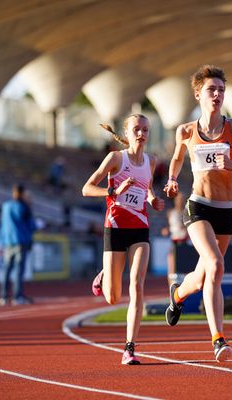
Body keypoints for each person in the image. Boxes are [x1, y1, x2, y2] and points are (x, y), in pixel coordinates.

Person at [163, 65, 232, 362]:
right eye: (211, 89)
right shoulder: (185, 131)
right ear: (198, 94)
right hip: (198, 206)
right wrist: (171, 181)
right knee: (215, 265)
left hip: (226, 209)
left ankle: (179, 295)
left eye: (221, 89)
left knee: (205, 273)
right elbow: (176, 161)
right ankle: (218, 339)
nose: (217, 94)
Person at [82, 114, 165, 365]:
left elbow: (147, 188)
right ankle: (106, 274)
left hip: (140, 229)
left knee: (137, 285)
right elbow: (86, 188)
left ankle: (129, 347)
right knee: (113, 298)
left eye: (146, 130)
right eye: (137, 130)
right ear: (127, 134)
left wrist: (152, 199)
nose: (141, 134)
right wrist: (113, 191)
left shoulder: (152, 162)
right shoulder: (116, 158)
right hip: (115, 228)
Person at [0, 183, 37, 306]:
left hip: (7, 242)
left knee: (7, 270)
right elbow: (31, 225)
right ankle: (17, 297)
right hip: (20, 242)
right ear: (22, 193)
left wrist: (2, 240)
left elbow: (3, 225)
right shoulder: (23, 206)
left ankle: (3, 297)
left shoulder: (5, 206)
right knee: (19, 271)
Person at [163, 192, 189, 285]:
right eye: (178, 199)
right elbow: (168, 226)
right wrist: (166, 230)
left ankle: (185, 284)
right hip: (174, 241)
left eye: (182, 200)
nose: (180, 202)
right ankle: (171, 285)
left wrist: (185, 228)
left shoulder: (187, 213)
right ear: (175, 200)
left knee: (186, 264)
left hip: (185, 241)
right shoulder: (170, 212)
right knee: (172, 263)